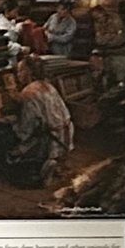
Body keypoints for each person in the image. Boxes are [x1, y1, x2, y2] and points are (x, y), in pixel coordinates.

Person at [9, 55, 76, 185]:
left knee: (10, 150)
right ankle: (55, 161)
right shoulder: (48, 86)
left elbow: (26, 128)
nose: (18, 75)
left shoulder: (28, 92)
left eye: (19, 71)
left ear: (27, 72)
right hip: (67, 135)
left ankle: (45, 162)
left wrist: (14, 130)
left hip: (52, 139)